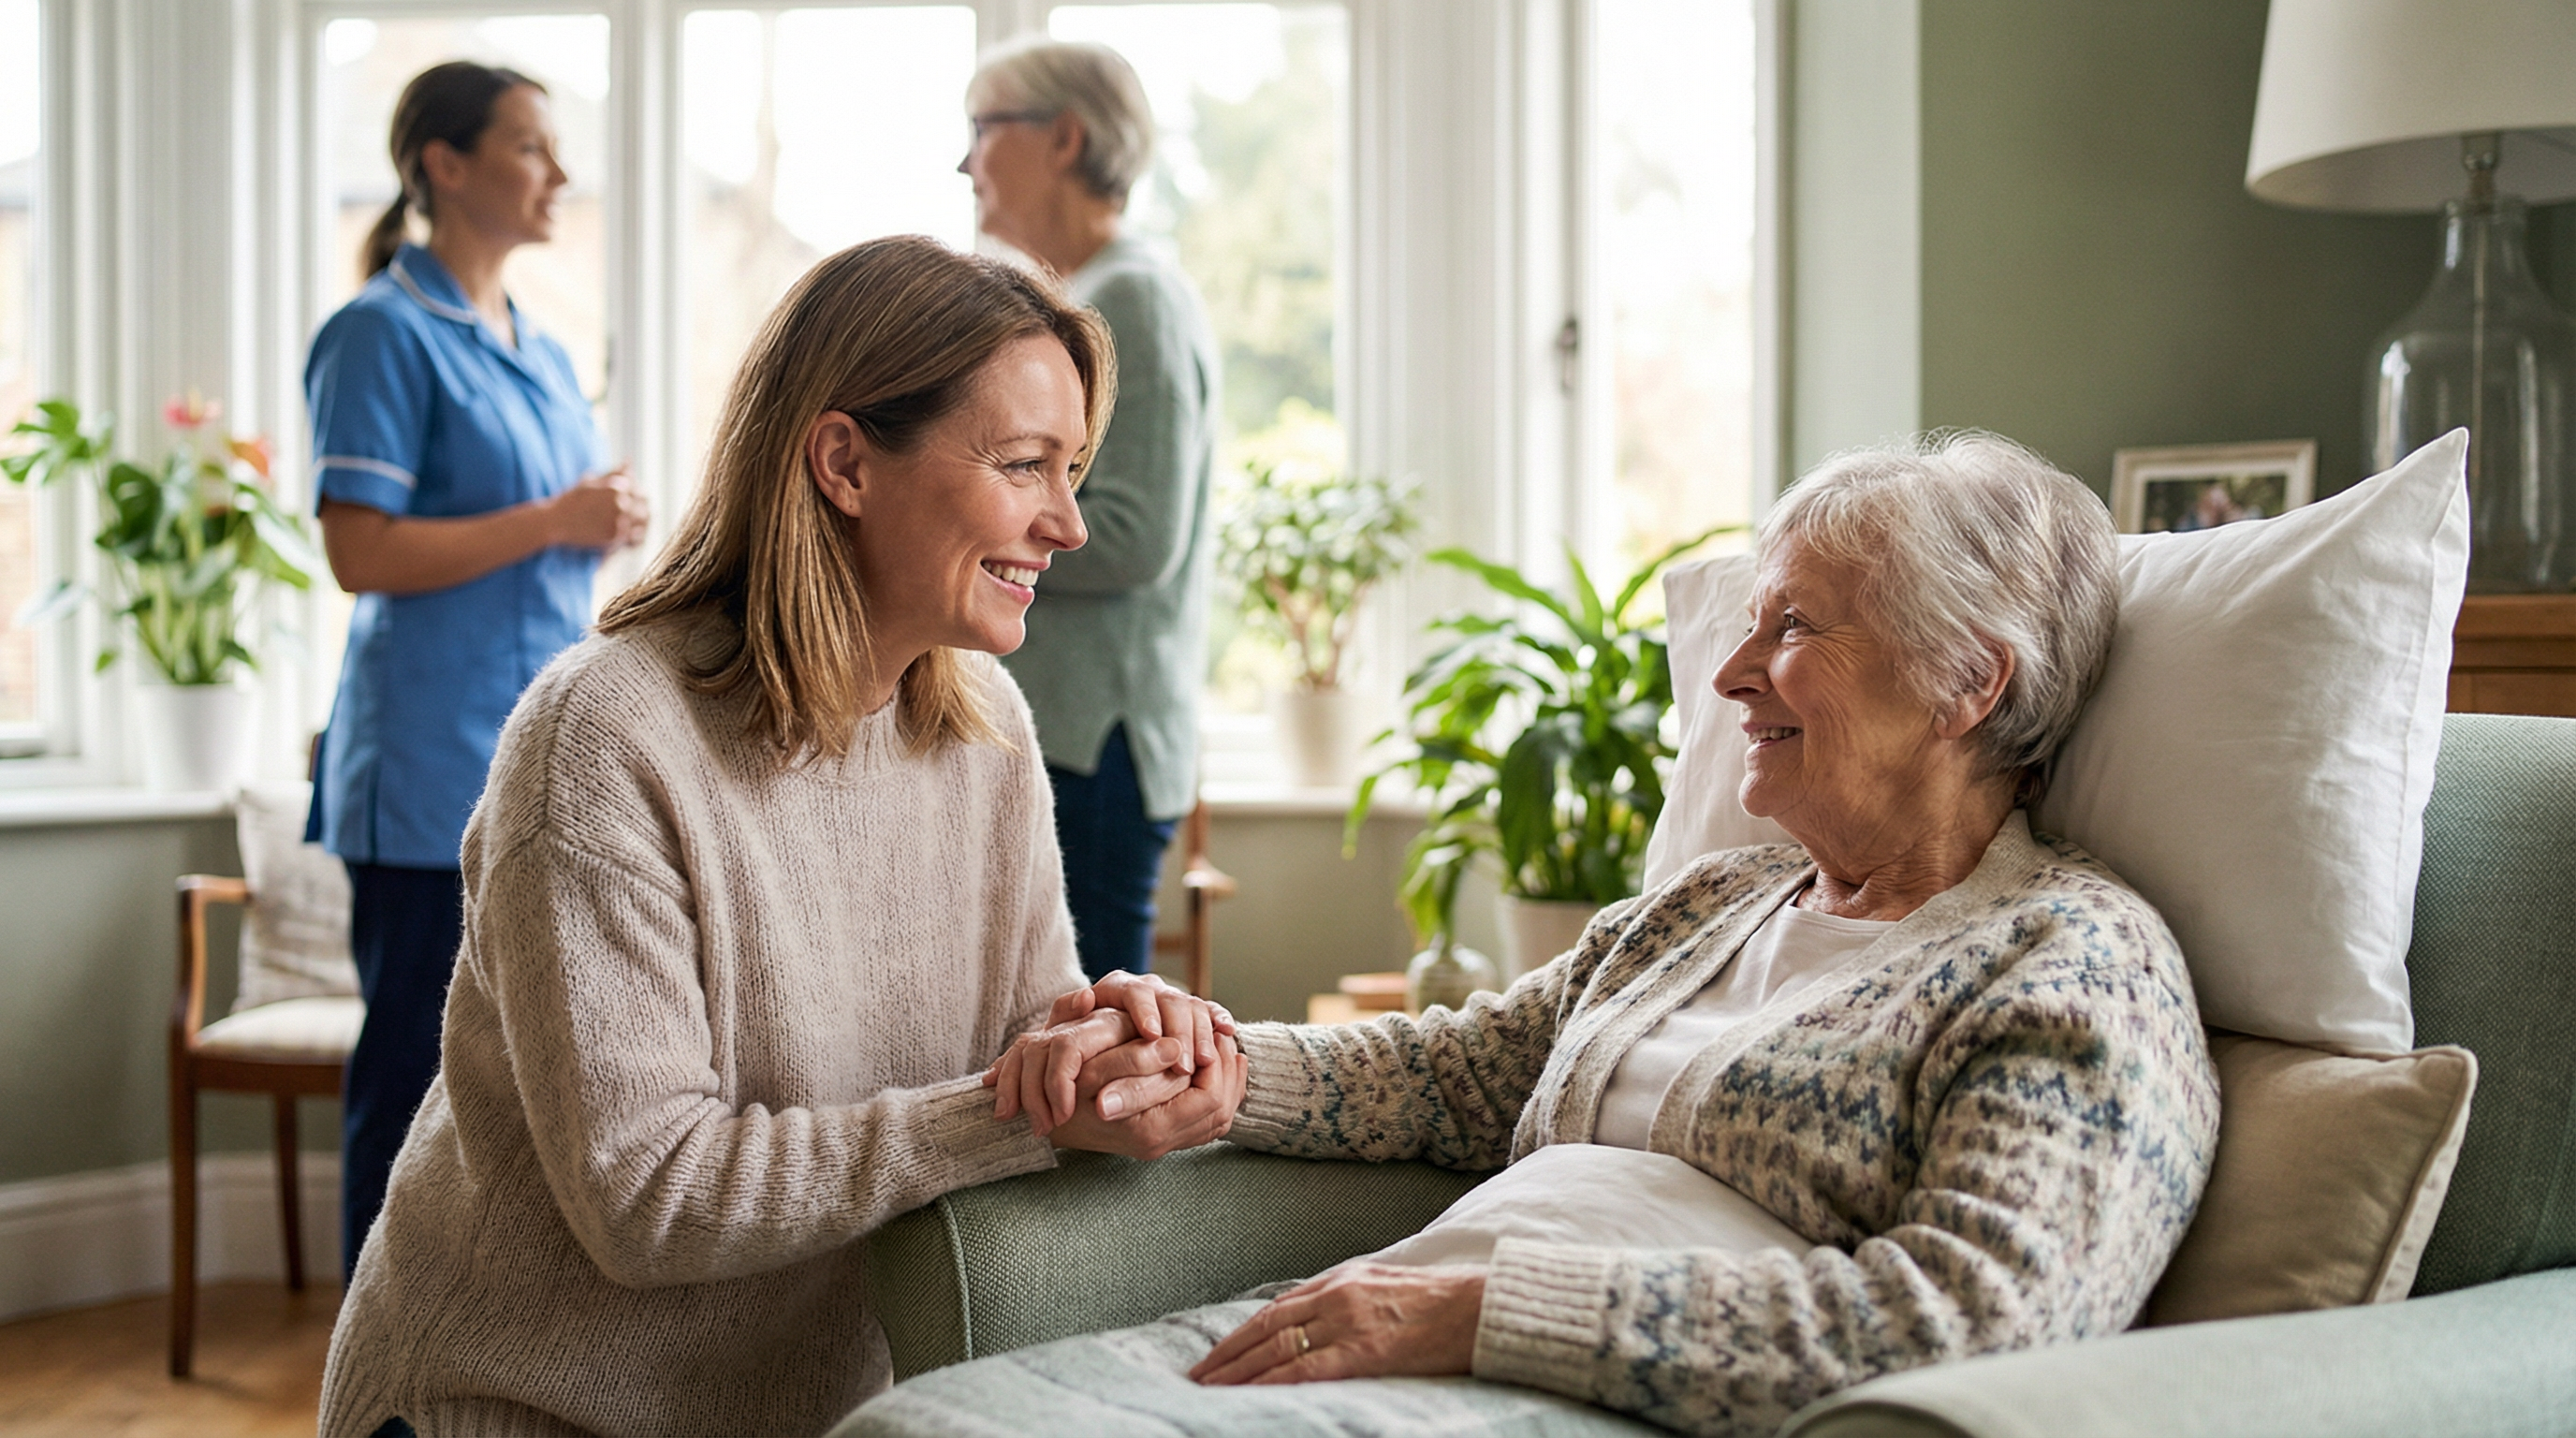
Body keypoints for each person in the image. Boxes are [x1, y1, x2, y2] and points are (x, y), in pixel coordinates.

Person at [864, 433, 2224, 1438]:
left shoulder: (2070, 962)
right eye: (1748, 626)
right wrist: (1200, 1057)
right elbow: (1464, 1073)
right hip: (1404, 1336)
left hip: (1596, 1395)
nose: (1735, 675)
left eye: (1795, 626)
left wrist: (1473, 1318)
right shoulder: (1713, 907)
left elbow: (1976, 1320)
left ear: (1967, 683)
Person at [317, 235, 1242, 1438]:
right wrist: (1015, 1116)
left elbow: (1025, 1037)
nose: (1066, 524)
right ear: (845, 463)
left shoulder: (981, 724)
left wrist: (1113, 1053)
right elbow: (649, 1196)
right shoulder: (604, 737)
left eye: (1073, 469)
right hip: (512, 1408)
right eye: (1025, 465)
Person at [304, 60, 651, 1281]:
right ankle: (375, 1389)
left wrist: (599, 527)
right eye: (529, 147)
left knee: (514, 1084)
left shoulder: (544, 355)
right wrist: (555, 520)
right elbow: (359, 550)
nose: (558, 173)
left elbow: (548, 538)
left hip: (532, 761)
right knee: (406, 1076)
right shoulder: (379, 335)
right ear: (444, 165)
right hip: (421, 772)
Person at [959, 38, 1220, 980]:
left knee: (1088, 1037)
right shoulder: (1090, 299)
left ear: (1063, 138)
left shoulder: (1130, 303)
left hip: (1095, 744)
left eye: (982, 130)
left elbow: (1139, 536)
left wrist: (955, 534)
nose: (965, 162)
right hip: (1069, 734)